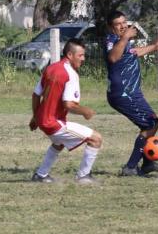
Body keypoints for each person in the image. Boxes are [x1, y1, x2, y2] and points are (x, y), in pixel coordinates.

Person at [29, 38, 103, 184]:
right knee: (96, 139)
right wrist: (85, 111)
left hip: (45, 120)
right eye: (80, 55)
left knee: (59, 143)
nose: (83, 59)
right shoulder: (70, 74)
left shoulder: (51, 68)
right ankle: (83, 176)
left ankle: (41, 175)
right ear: (70, 54)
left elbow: (36, 94)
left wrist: (35, 117)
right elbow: (69, 104)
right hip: (53, 123)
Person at [104, 10, 158, 176]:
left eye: (124, 22)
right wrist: (125, 38)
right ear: (111, 27)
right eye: (118, 24)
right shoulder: (112, 40)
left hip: (132, 92)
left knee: (150, 124)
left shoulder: (123, 42)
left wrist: (155, 46)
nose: (123, 26)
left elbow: (134, 53)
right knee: (150, 124)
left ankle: (147, 163)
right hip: (124, 93)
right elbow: (113, 58)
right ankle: (130, 167)